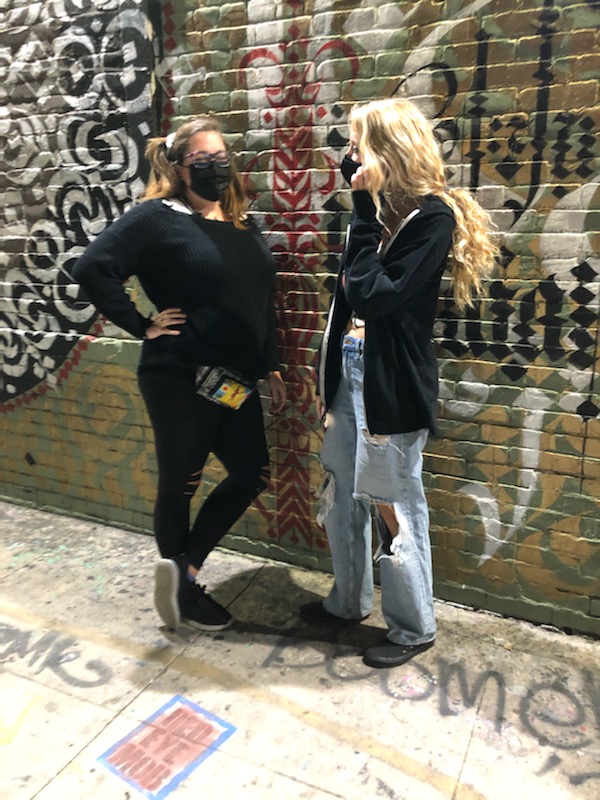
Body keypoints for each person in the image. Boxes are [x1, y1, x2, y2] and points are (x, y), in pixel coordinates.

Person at [300, 98, 497, 668]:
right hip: (347, 370)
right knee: (341, 490)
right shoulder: (380, 212)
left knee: (393, 503)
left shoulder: (432, 219)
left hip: (389, 384)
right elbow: (346, 302)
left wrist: (362, 210)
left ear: (388, 150)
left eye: (357, 144)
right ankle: (347, 601)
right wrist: (326, 375)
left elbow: (371, 295)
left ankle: (413, 628)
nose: (350, 155)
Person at [73, 116, 286, 632]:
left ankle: (182, 571)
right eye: (202, 160)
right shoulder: (156, 218)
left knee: (252, 471)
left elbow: (259, 300)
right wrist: (141, 324)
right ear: (177, 167)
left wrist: (270, 366)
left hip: (233, 380)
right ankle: (184, 593)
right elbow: (92, 267)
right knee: (182, 482)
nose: (215, 167)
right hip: (181, 375)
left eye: (221, 158)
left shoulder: (242, 223)